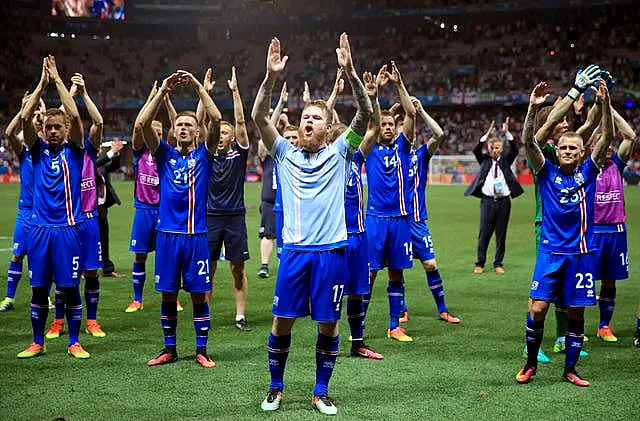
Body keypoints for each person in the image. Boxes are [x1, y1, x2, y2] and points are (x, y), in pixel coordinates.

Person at [252, 34, 372, 415]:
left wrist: (351, 74)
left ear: (327, 127)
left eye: (315, 118)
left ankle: (320, 391)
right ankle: (276, 388)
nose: (307, 120)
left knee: (327, 325)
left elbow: (366, 116)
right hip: (295, 253)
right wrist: (271, 78)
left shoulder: (341, 153)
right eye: (305, 116)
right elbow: (258, 117)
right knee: (281, 322)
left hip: (331, 253)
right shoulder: (284, 152)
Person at [517, 69, 613, 387]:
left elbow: (608, 138)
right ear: (556, 152)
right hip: (550, 252)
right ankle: (530, 362)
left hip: (580, 254)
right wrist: (532, 108)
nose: (568, 151)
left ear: (582, 152)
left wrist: (605, 104)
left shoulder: (589, 172)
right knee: (539, 307)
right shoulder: (545, 172)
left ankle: (570, 369)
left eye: (573, 148)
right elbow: (529, 140)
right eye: (564, 148)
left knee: (576, 314)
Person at [139, 70, 221, 368]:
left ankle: (201, 349)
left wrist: (199, 87)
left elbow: (216, 118)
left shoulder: (205, 154)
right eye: (179, 125)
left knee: (199, 295)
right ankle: (169, 349)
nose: (184, 128)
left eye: (189, 125)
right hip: (167, 235)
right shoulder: (163, 154)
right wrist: (161, 92)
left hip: (197, 236)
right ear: (172, 131)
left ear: (197, 131)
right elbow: (143, 123)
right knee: (168, 294)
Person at [18, 55, 91, 359]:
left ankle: (74, 341)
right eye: (48, 127)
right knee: (38, 289)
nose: (52, 131)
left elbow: (74, 114)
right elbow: (24, 120)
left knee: (70, 288)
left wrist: (58, 80)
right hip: (39, 231)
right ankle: (38, 341)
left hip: (66, 230)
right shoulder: (36, 152)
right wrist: (41, 83)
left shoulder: (75, 152)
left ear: (65, 129)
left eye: (57, 127)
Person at [46, 72, 110, 339]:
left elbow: (98, 120)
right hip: (66, 219)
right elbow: (60, 118)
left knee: (91, 271)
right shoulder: (64, 151)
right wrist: (68, 93)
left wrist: (83, 93)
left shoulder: (88, 149)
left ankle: (92, 320)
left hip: (89, 217)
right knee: (63, 273)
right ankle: (58, 320)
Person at [364, 61, 417, 342]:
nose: (386, 127)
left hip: (400, 219)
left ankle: (394, 325)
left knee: (397, 273)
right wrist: (374, 96)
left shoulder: (403, 147)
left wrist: (399, 84)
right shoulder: (370, 148)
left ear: (395, 127)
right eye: (382, 124)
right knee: (370, 274)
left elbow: (410, 112)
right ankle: (358, 326)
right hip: (375, 219)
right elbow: (370, 121)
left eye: (390, 124)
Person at [334, 69, 383, 359]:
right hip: (336, 237)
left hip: (359, 236)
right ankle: (330, 340)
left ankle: (357, 342)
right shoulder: (329, 163)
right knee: (334, 293)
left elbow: (374, 129)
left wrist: (373, 99)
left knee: (357, 292)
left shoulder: (358, 159)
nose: (352, 142)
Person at [126, 82, 183, 313]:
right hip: (143, 209)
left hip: (163, 211)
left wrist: (167, 102)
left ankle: (173, 297)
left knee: (167, 256)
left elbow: (176, 126)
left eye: (160, 133)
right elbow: (140, 126)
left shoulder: (168, 153)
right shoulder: (140, 151)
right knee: (140, 255)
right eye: (154, 132)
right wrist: (153, 98)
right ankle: (137, 298)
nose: (156, 136)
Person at [206, 66, 252, 331]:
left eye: (225, 132)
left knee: (237, 269)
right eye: (218, 133)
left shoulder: (240, 153)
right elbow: (204, 125)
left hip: (235, 216)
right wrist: (206, 95)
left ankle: (240, 316)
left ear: (232, 137)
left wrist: (235, 93)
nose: (221, 135)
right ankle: (206, 314)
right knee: (208, 269)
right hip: (211, 216)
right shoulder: (208, 155)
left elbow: (242, 123)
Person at [408, 97, 460, 323]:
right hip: (396, 220)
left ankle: (442, 309)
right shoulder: (388, 154)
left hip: (418, 221)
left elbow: (439, 135)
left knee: (430, 263)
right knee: (395, 268)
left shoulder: (420, 155)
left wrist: (421, 111)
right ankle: (399, 309)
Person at [592, 104, 636, 342]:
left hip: (616, 232)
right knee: (580, 279)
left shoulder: (616, 165)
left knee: (609, 281)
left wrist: (608, 109)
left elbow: (630, 136)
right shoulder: (585, 168)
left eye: (609, 142)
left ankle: (604, 325)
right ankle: (572, 328)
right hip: (591, 231)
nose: (607, 146)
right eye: (602, 141)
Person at [465, 118, 523, 274]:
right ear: (489, 148)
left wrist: (507, 133)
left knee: (501, 233)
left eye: (497, 147)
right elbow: (476, 150)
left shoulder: (505, 160)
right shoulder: (483, 160)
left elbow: (515, 150)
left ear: (501, 148)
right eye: (492, 147)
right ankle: (480, 263)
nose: (495, 150)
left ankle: (498, 263)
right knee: (484, 233)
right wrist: (487, 135)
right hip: (487, 201)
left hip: (504, 201)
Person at [0, 93, 39, 312]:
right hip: (25, 212)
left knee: (39, 258)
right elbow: (9, 133)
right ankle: (9, 297)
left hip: (43, 213)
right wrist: (24, 109)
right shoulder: (24, 154)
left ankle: (42, 297)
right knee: (18, 254)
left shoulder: (48, 152)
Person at [257, 82, 288, 278]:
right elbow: (267, 128)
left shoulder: (292, 153)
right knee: (268, 234)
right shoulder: (268, 153)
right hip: (270, 200)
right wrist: (279, 105)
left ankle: (286, 267)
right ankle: (264, 266)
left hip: (288, 201)